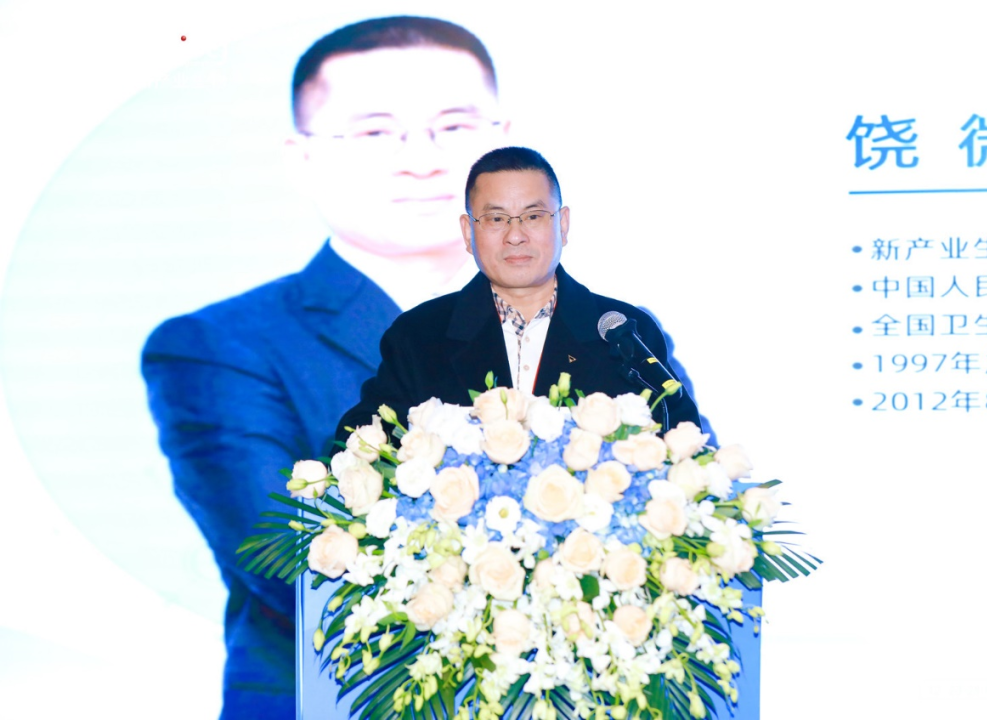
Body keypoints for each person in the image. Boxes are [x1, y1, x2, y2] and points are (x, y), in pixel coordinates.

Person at [141, 16, 511, 720]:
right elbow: (292, 564)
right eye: (375, 133)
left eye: (457, 127)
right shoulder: (218, 347)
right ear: (302, 156)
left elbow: (697, 532)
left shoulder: (608, 333)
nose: (422, 160)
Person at [336, 146, 701, 439]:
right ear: (467, 232)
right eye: (496, 219)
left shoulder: (622, 332)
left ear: (563, 224)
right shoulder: (418, 336)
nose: (515, 236)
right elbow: (361, 446)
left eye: (533, 216)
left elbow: (683, 441)